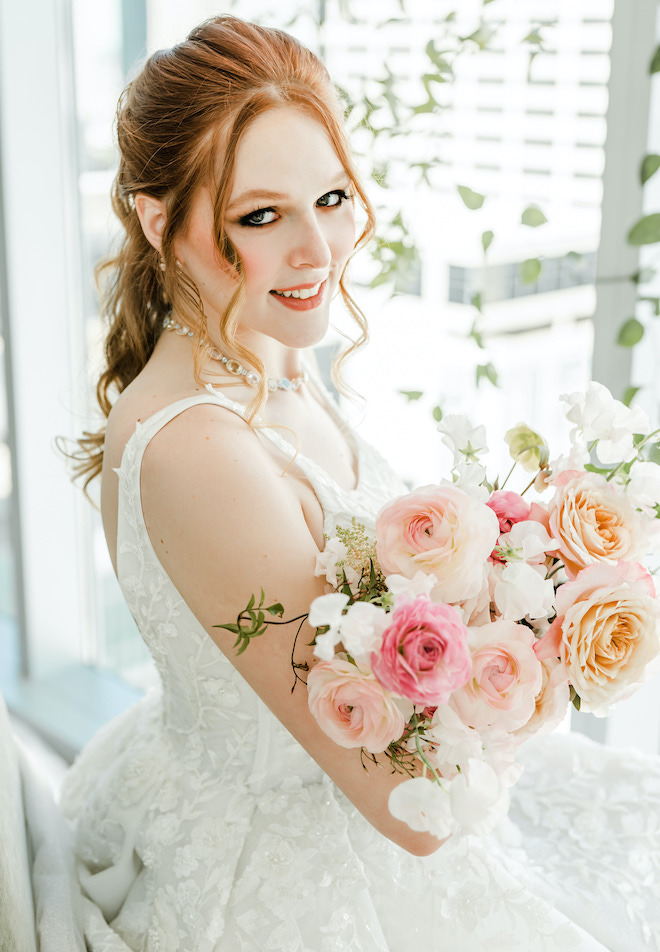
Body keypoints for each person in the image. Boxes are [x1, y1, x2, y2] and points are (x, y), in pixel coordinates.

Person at [60, 15, 660, 952]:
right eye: (260, 216)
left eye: (331, 198)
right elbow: (415, 817)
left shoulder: (261, 350)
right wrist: (535, 653)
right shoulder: (199, 452)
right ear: (154, 217)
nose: (317, 252)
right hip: (310, 862)